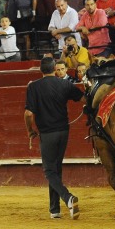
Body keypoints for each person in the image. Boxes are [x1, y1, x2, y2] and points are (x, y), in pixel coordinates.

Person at [24, 56, 84, 220]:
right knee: (56, 168)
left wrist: (30, 131)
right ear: (54, 69)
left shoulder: (34, 87)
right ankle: (54, 209)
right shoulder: (64, 84)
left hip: (47, 133)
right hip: (63, 131)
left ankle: (68, 198)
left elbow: (29, 113)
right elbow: (84, 99)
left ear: (40, 70)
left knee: (49, 170)